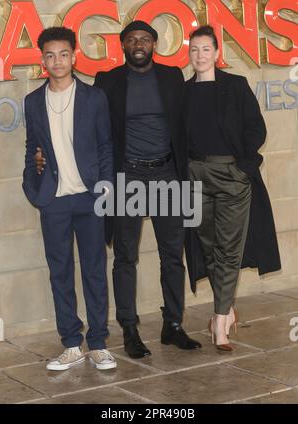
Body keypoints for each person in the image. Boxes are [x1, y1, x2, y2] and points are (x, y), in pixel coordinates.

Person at [94, 20, 201, 358]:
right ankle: (129, 328)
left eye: (144, 39)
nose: (138, 44)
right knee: (125, 256)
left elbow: (186, 126)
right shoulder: (108, 81)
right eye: (131, 40)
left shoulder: (171, 77)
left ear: (154, 44)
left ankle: (173, 325)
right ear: (122, 45)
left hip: (168, 175)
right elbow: (98, 131)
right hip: (128, 178)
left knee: (174, 254)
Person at [22, 27, 116, 371]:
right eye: (50, 55)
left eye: (63, 54)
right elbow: (32, 146)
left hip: (90, 197)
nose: (57, 61)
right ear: (42, 59)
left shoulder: (94, 98)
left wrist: (106, 187)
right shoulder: (33, 101)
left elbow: (106, 146)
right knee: (59, 272)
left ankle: (99, 343)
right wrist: (33, 186)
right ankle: (72, 344)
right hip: (54, 200)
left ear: (74, 56)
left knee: (94, 270)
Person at [184, 25, 281, 351]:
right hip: (194, 177)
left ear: (216, 53)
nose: (200, 56)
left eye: (206, 50)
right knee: (209, 248)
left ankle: (220, 324)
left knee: (228, 249)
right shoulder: (182, 93)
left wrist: (243, 166)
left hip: (231, 175)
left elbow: (256, 128)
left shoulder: (235, 86)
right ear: (190, 54)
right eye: (194, 50)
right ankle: (224, 311)